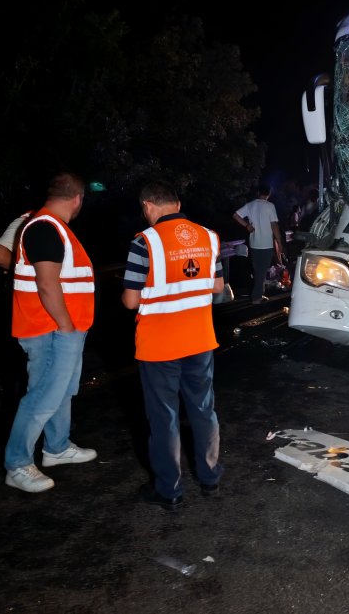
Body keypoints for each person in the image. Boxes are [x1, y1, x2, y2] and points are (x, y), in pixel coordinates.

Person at [121, 180, 225, 511]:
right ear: (177, 205)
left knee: (164, 418)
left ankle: (170, 490)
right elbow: (218, 286)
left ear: (148, 206)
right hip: (199, 339)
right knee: (203, 410)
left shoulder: (144, 242)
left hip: (159, 346)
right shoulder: (209, 237)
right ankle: (210, 477)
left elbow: (130, 301)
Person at [3, 172, 98, 493]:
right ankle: (17, 464)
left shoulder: (50, 227)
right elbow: (46, 283)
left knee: (60, 391)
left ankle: (56, 448)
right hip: (51, 328)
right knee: (44, 395)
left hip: (57, 327)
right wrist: (66, 325)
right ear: (77, 198)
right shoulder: (44, 227)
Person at [0, 209, 32, 453]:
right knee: (22, 382)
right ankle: (17, 452)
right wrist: (30, 273)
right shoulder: (30, 219)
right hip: (20, 311)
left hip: (21, 312)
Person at [232, 183, 284, 304]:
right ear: (269, 194)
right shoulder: (270, 206)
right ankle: (257, 297)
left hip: (254, 243)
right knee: (262, 270)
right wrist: (279, 242)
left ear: (258, 192)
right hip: (266, 244)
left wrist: (246, 226)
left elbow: (235, 215)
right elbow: (274, 225)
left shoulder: (250, 205)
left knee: (258, 270)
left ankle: (259, 293)